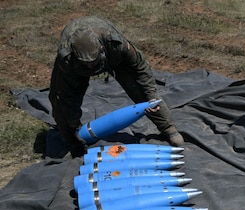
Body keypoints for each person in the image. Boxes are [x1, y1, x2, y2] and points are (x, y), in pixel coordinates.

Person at [49, 16, 184, 156]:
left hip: (114, 59)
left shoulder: (115, 43)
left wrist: (150, 96)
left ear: (101, 48)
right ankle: (73, 140)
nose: (90, 66)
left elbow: (140, 68)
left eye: (93, 62)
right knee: (60, 103)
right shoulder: (67, 58)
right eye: (86, 64)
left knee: (144, 92)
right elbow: (65, 95)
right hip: (76, 67)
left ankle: (168, 128)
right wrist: (72, 126)